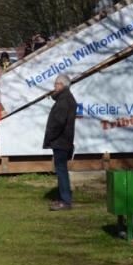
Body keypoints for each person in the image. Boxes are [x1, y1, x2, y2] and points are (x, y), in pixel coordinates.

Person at [43, 74, 77, 211]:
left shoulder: (64, 100)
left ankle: (65, 200)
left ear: (62, 85)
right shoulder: (66, 98)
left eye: (56, 84)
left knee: (62, 171)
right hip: (63, 141)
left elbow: (58, 123)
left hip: (61, 141)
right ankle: (62, 198)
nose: (54, 86)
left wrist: (50, 137)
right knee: (61, 170)